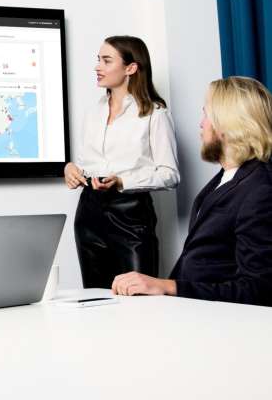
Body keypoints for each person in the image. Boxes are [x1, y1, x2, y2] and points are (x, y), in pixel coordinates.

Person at [112, 76, 272, 306]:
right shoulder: (223, 181)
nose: (201, 123)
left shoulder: (261, 190)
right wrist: (155, 289)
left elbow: (260, 290)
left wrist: (168, 287)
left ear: (228, 124)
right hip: (189, 312)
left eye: (206, 114)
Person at [64, 36, 180, 288]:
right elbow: (88, 163)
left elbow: (170, 175)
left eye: (106, 60)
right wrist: (72, 169)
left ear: (131, 68)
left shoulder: (155, 113)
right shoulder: (93, 112)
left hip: (130, 215)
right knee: (95, 300)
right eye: (98, 60)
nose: (97, 67)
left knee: (138, 301)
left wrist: (123, 181)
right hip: (88, 212)